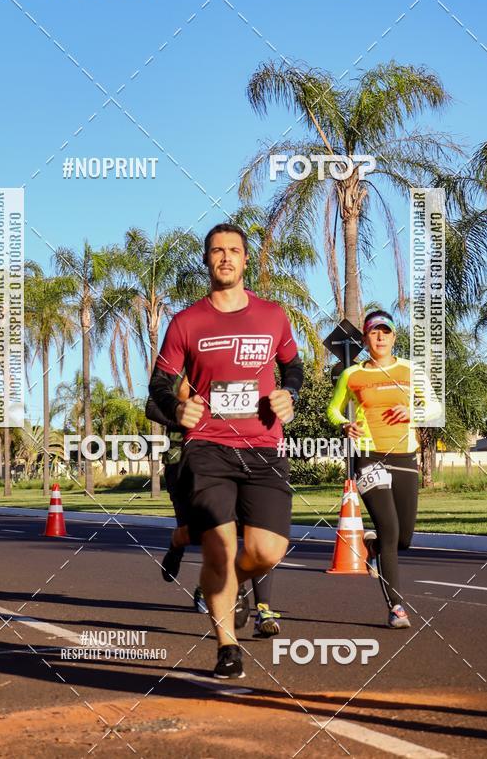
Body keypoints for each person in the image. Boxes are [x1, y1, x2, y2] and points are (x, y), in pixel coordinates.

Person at [148, 223, 303, 677]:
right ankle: (227, 646)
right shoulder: (186, 322)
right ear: (207, 260)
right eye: (217, 251)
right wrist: (178, 412)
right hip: (208, 448)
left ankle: (228, 583)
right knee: (218, 547)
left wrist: (288, 392)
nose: (226, 258)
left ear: (245, 260)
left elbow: (293, 368)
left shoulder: (273, 315)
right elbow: (157, 386)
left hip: (264, 447)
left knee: (268, 550)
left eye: (234, 250)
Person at [327, 309, 439, 629]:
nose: (380, 337)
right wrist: (345, 424)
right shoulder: (353, 375)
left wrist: (413, 409)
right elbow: (333, 409)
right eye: (374, 332)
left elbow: (433, 406)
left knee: (403, 539)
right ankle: (397, 608)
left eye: (385, 331)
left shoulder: (410, 370)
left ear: (393, 337)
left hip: (404, 456)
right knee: (389, 529)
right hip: (369, 456)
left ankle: (374, 547)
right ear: (365, 339)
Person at [146, 379, 282, 637]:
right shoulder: (179, 370)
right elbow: (152, 407)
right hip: (184, 462)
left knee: (253, 529)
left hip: (236, 457)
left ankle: (262, 608)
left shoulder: (234, 368)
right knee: (198, 532)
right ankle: (178, 545)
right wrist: (184, 408)